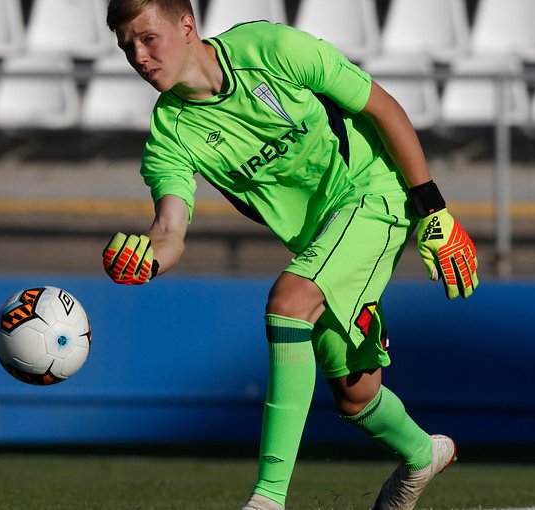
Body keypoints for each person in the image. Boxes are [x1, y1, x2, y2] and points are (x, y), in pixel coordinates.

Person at [101, 1, 479, 509]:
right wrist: (146, 257)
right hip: (323, 240)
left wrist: (433, 208)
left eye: (148, 38)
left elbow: (381, 107)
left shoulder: (270, 49)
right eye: (127, 46)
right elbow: (171, 229)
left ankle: (267, 499)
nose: (139, 56)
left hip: (375, 193)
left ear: (187, 25)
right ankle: (421, 455)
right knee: (356, 396)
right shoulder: (170, 132)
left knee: (288, 302)